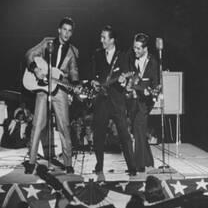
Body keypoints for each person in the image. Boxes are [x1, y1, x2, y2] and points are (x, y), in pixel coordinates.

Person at [24, 17, 79, 174]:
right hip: (42, 88)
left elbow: (74, 74)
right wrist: (36, 69)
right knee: (37, 125)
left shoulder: (73, 52)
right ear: (59, 30)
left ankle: (67, 163)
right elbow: (29, 54)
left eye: (70, 31)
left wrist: (75, 88)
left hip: (60, 89)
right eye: (64, 29)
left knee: (64, 126)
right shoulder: (47, 42)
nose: (67, 33)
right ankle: (31, 162)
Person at [91, 25, 136, 175]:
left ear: (112, 40)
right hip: (101, 102)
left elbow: (130, 77)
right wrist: (94, 82)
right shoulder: (97, 54)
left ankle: (132, 167)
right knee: (98, 135)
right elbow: (94, 75)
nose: (101, 40)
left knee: (124, 134)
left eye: (104, 37)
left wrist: (123, 80)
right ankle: (99, 166)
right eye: (101, 37)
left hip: (117, 101)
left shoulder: (123, 56)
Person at [127, 33, 159, 172]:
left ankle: (138, 165)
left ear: (145, 49)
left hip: (146, 100)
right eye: (134, 48)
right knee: (137, 129)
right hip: (135, 98)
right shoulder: (133, 59)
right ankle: (149, 161)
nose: (136, 51)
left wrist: (150, 92)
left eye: (138, 48)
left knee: (138, 125)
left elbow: (156, 84)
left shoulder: (153, 62)